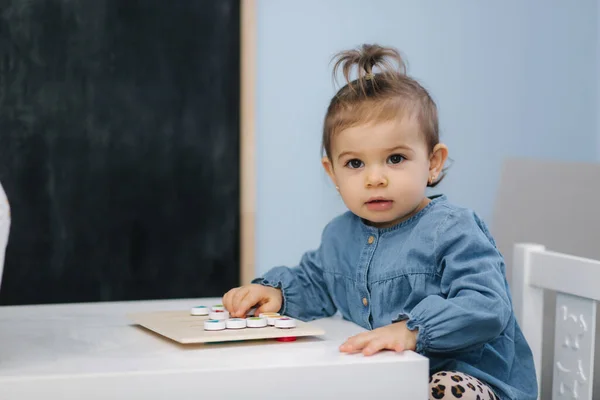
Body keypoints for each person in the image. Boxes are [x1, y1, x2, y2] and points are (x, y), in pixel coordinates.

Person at [222, 44, 537, 400]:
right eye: (355, 164)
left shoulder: (452, 229)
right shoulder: (340, 234)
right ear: (333, 172)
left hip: (468, 381)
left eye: (395, 158)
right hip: (390, 382)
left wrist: (413, 331)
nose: (375, 178)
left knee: (445, 389)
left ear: (433, 162)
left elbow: (487, 305)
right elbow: (316, 282)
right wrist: (277, 293)